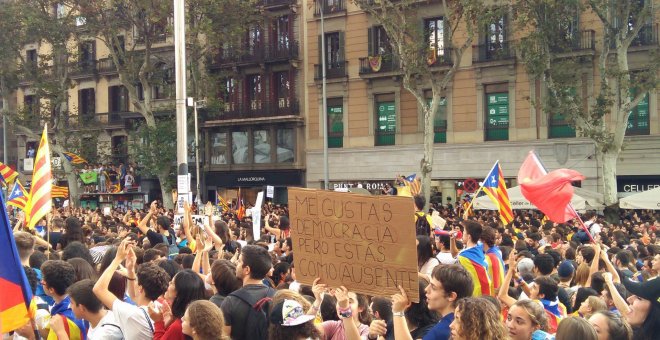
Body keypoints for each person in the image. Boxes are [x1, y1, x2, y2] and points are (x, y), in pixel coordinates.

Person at [93, 239, 171, 339]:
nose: (134, 281)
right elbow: (134, 296)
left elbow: (98, 289)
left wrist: (117, 259)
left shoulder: (133, 314)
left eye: (136, 280)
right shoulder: (157, 306)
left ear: (140, 288)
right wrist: (130, 270)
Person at [221, 244, 274, 340]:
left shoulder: (230, 302)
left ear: (247, 270)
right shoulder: (277, 297)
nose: (236, 263)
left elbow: (224, 336)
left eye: (240, 261)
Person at [50, 279, 123, 339]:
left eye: (72, 303)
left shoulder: (106, 334)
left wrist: (61, 332)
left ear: (82, 308)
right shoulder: (100, 317)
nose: (69, 306)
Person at [151, 269, 207, 340]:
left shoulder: (180, 325)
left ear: (179, 293)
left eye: (172, 283)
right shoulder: (194, 318)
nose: (169, 283)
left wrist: (158, 322)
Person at [422, 264, 473, 340]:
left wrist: (399, 312)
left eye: (433, 287)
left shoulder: (441, 331)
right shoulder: (466, 323)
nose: (426, 289)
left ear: (451, 296)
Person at [41, 260, 89, 339]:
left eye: (43, 282)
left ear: (51, 290)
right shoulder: (72, 301)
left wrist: (30, 336)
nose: (41, 281)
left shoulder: (64, 320)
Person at [453, 221, 492, 296]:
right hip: (485, 289)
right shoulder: (479, 247)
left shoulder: (463, 257)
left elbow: (454, 255)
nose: (462, 234)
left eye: (464, 232)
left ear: (469, 236)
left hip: (475, 292)